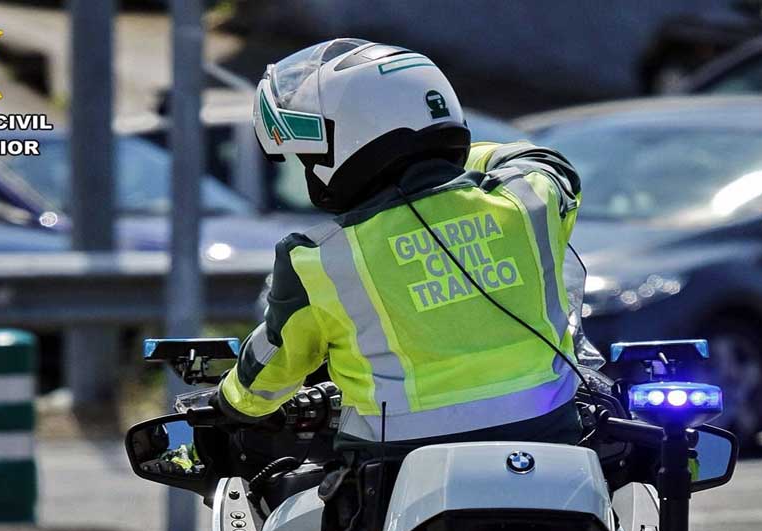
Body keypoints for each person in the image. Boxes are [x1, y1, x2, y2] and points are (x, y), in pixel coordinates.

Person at [215, 38, 586, 461]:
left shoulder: (319, 256)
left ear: (353, 131)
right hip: (548, 439)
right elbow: (541, 160)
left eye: (310, 155)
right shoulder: (527, 201)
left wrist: (229, 401)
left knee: (298, 519)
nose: (309, 167)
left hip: (395, 466)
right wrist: (441, 159)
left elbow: (270, 370)